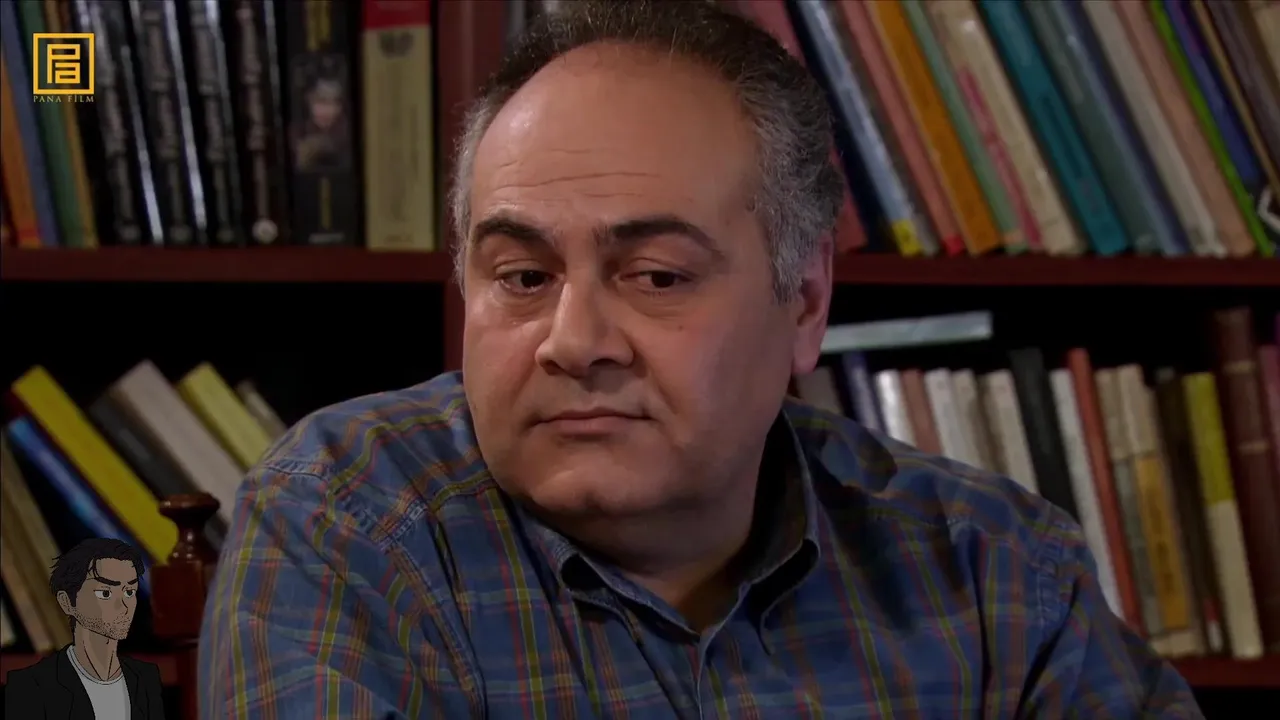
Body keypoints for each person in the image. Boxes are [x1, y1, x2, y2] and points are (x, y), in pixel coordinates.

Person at [199, 1, 1203, 717]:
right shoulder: (347, 522)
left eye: (656, 276)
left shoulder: (995, 572)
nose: (573, 341)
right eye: (522, 276)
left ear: (803, 300)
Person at [5, 537, 166, 719]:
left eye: (129, 592)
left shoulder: (146, 678)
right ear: (67, 602)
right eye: (105, 593)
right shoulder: (30, 685)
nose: (123, 605)